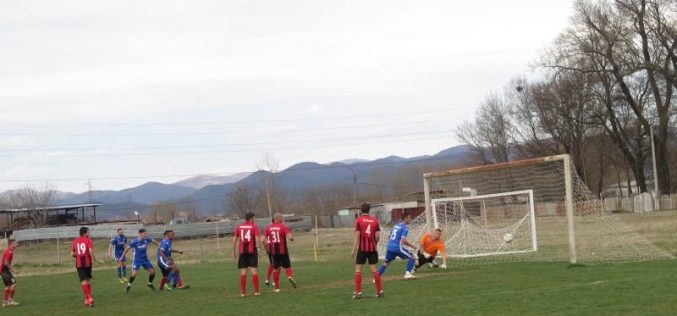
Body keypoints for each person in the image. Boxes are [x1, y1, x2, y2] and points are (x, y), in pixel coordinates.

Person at [350, 203, 383, 299]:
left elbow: (357, 235)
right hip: (372, 248)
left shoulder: (359, 220)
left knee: (358, 269)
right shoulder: (375, 220)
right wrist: (374, 244)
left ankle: (358, 293)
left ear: (361, 210)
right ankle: (380, 291)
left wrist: (353, 249)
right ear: (369, 210)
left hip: (363, 249)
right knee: (374, 269)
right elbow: (378, 236)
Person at [232, 212, 264, 297]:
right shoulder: (254, 226)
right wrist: (259, 250)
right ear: (251, 218)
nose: (255, 220)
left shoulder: (239, 226)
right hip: (252, 251)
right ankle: (256, 292)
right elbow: (257, 239)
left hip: (242, 252)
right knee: (254, 271)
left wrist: (233, 251)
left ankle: (243, 293)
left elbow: (234, 240)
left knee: (243, 272)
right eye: (254, 218)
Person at [263, 212, 296, 293]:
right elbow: (290, 238)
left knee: (275, 269)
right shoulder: (283, 226)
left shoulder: (268, 227)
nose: (282, 219)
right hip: (283, 250)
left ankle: (277, 288)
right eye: (281, 218)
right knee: (287, 266)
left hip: (273, 252)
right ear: (277, 218)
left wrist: (266, 248)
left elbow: (263, 239)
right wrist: (292, 237)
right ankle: (289, 276)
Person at [378, 212, 418, 279]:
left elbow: (389, 235)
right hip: (397, 248)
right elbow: (403, 241)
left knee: (386, 263)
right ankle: (408, 274)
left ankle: (376, 278)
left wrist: (392, 242)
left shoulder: (396, 226)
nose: (410, 219)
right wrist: (412, 246)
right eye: (409, 218)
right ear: (405, 218)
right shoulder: (405, 228)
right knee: (413, 257)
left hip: (389, 247)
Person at [71, 227, 97, 307]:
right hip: (87, 262)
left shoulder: (75, 241)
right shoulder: (88, 240)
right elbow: (90, 251)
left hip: (79, 263)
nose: (89, 233)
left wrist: (78, 256)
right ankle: (89, 298)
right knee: (87, 280)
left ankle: (87, 298)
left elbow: (72, 254)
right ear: (84, 233)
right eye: (88, 232)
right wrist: (95, 260)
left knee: (84, 281)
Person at [1, 239, 19, 308]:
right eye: (16, 243)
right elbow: (7, 263)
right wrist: (14, 271)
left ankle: (5, 303)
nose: (17, 244)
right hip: (4, 270)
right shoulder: (10, 251)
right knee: (14, 284)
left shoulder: (8, 250)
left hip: (3, 270)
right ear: (11, 244)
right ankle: (11, 301)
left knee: (8, 286)